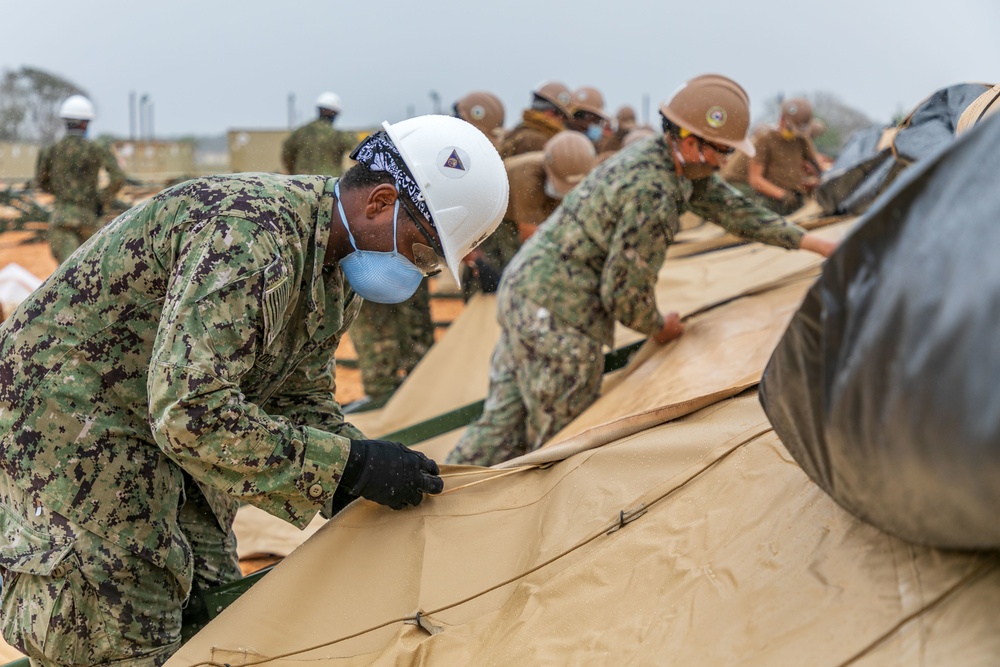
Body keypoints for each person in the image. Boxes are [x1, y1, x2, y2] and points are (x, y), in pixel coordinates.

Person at [0, 114, 508, 666]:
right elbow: (190, 413)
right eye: (423, 252)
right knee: (122, 614)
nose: (420, 272)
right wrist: (346, 466)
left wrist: (361, 466)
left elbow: (298, 396)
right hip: (71, 421)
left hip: (151, 414)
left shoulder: (333, 266)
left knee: (214, 605)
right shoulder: (249, 237)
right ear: (381, 202)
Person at [446, 74, 837, 468]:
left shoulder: (671, 162)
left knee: (502, 423)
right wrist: (658, 326)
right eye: (722, 151)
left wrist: (812, 242)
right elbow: (624, 293)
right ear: (690, 143)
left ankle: (440, 494)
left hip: (527, 293)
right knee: (562, 442)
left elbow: (734, 209)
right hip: (558, 315)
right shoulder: (653, 192)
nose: (725, 161)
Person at [464, 130, 597, 296]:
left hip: (531, 218)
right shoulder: (526, 177)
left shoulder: (585, 169)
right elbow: (530, 239)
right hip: (498, 221)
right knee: (510, 277)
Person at [34, 94, 125, 264]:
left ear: (65, 121)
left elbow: (41, 182)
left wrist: (62, 195)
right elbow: (118, 177)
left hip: (61, 220)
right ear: (85, 123)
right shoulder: (96, 148)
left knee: (67, 276)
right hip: (89, 220)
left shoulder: (51, 150)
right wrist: (100, 200)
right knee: (92, 275)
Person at [721, 98, 824, 215]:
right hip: (742, 186)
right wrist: (784, 195)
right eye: (791, 127)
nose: (794, 132)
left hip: (773, 188)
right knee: (764, 210)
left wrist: (817, 179)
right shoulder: (766, 139)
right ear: (782, 119)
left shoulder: (801, 140)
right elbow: (756, 180)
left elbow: (816, 164)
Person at [281, 91, 356, 176]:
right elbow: (357, 152)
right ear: (335, 113)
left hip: (302, 183)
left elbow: (287, 154)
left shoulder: (299, 133)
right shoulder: (339, 136)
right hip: (328, 183)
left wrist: (294, 172)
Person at [499, 81, 573, 160]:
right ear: (550, 113)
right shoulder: (539, 141)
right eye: (561, 116)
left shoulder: (517, 132)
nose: (562, 121)